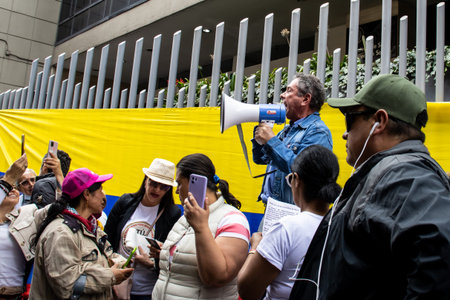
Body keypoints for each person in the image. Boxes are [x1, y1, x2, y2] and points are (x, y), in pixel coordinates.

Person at [289, 74, 450, 299]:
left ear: (379, 122)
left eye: (350, 119)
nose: (345, 133)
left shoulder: (404, 175)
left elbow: (439, 257)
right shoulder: (390, 173)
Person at [237, 145, 341, 300]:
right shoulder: (342, 227)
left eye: (290, 179)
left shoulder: (287, 228)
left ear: (296, 180)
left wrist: (255, 248)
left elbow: (247, 290)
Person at [152, 153, 250, 300]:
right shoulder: (184, 219)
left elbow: (217, 277)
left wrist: (201, 227)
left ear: (194, 182)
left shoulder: (232, 220)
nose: (177, 190)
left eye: (179, 183)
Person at [30, 168, 133, 299]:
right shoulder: (61, 233)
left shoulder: (91, 227)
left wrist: (119, 263)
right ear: (86, 194)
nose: (104, 195)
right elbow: (67, 283)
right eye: (100, 189)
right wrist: (110, 276)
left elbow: (106, 255)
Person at [104, 158, 182, 299]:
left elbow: (172, 255)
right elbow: (106, 238)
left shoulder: (172, 214)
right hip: (117, 285)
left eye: (164, 186)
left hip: (147, 290)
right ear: (146, 180)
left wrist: (152, 263)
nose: (157, 189)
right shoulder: (125, 202)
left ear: (169, 189)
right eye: (153, 183)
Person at [252, 73, 332, 208]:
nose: (282, 95)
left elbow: (304, 171)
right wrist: (260, 139)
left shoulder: (318, 132)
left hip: (293, 211)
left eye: (289, 90)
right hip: (272, 208)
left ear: (305, 99)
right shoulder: (288, 129)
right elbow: (261, 159)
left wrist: (271, 140)